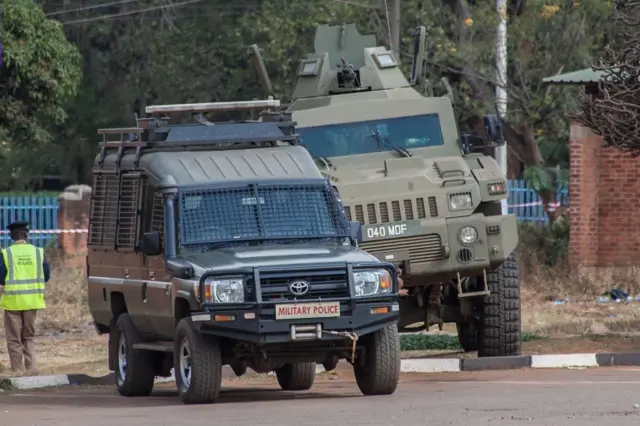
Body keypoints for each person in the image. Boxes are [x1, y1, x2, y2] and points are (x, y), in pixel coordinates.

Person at [0, 221, 50, 373]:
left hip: (13, 302)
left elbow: (1, 277)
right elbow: (46, 275)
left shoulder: (6, 253)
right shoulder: (38, 252)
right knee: (28, 337)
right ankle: (32, 368)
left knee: (14, 338)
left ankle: (18, 371)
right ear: (25, 235)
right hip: (32, 301)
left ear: (13, 236)